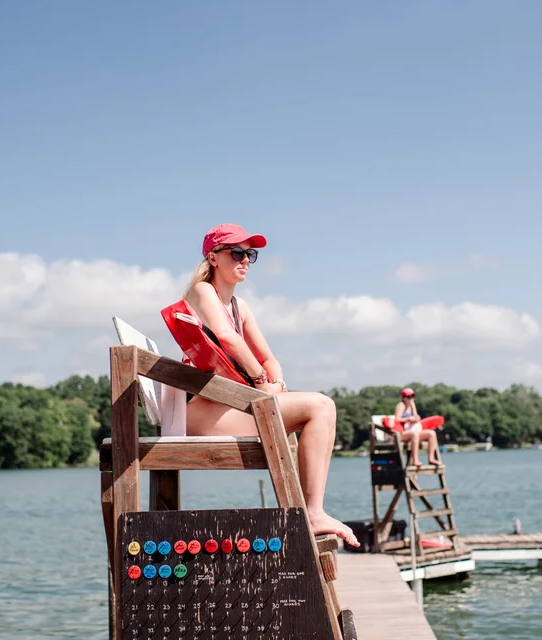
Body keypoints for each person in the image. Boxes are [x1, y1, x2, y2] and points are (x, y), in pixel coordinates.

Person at [181, 223, 360, 547]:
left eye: (251, 254)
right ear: (213, 257)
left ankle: (311, 511)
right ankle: (314, 513)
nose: (246, 259)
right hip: (203, 414)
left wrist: (275, 381)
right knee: (321, 405)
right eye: (237, 252)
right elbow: (226, 337)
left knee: (320, 407)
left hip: (232, 405)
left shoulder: (241, 307)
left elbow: (268, 357)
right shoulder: (202, 291)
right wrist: (261, 381)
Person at [394, 387, 441, 467]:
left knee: (431, 433)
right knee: (415, 434)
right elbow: (397, 419)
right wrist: (408, 419)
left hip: (412, 430)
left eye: (412, 396)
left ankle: (431, 459)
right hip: (402, 433)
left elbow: (415, 416)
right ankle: (415, 460)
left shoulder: (412, 405)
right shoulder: (401, 406)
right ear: (403, 398)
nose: (411, 399)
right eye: (409, 397)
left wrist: (417, 418)